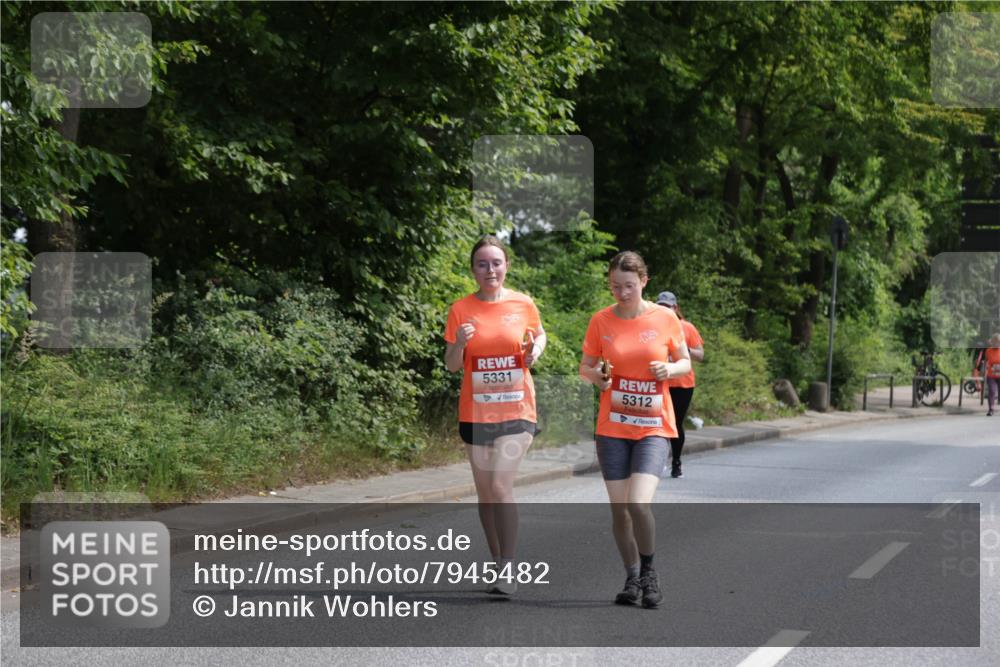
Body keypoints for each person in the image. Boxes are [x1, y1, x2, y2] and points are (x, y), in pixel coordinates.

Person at [579, 251, 691, 609]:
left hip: (653, 426)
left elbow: (685, 360)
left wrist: (669, 371)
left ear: (644, 281)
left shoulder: (665, 318)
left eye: (628, 285)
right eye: (615, 286)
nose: (622, 293)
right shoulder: (601, 321)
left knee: (638, 503)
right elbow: (586, 365)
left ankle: (649, 571)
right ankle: (630, 576)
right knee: (618, 511)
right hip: (612, 427)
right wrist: (596, 376)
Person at [444, 235, 546, 596]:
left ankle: (509, 565)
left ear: (507, 266)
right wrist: (458, 342)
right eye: (483, 264)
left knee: (501, 485)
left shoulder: (522, 303)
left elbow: (539, 335)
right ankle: (496, 560)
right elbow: (452, 366)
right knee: (486, 494)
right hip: (476, 412)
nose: (490, 270)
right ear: (473, 270)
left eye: (496, 263)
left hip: (517, 409)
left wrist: (535, 351)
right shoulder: (460, 309)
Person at [655, 291, 704, 478]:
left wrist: (682, 349)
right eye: (660, 306)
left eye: (667, 306)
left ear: (675, 308)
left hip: (683, 384)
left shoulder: (687, 328)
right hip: (659, 382)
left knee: (675, 423)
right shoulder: (651, 326)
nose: (664, 309)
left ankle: (676, 462)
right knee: (657, 423)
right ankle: (658, 462)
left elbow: (700, 355)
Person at [985, 333, 1000, 417]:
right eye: (995, 342)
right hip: (991, 375)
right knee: (992, 391)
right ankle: (991, 409)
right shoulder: (988, 351)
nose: (996, 344)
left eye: (998, 342)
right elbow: (987, 362)